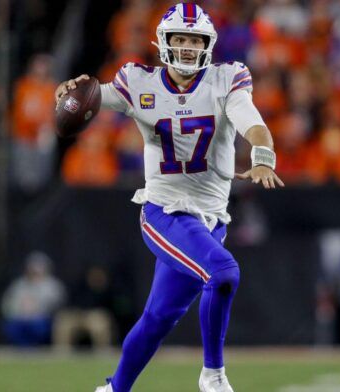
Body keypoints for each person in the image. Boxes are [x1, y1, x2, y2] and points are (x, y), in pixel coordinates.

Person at [54, 4, 283, 392]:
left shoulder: (226, 79)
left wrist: (262, 156)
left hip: (210, 220)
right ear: (165, 41)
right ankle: (212, 375)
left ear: (208, 44)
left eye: (196, 39)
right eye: (181, 38)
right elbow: (93, 98)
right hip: (164, 212)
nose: (189, 47)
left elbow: (254, 124)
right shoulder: (139, 82)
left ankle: (114, 389)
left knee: (158, 318)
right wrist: (68, 91)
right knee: (224, 272)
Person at [1, 251, 66, 346]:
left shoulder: (52, 285)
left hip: (41, 318)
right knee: (12, 326)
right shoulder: (19, 284)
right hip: (20, 317)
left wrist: (36, 310)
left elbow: (56, 304)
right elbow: (7, 303)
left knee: (39, 327)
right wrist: (19, 312)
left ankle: (34, 349)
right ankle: (23, 350)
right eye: (33, 268)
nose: (35, 271)